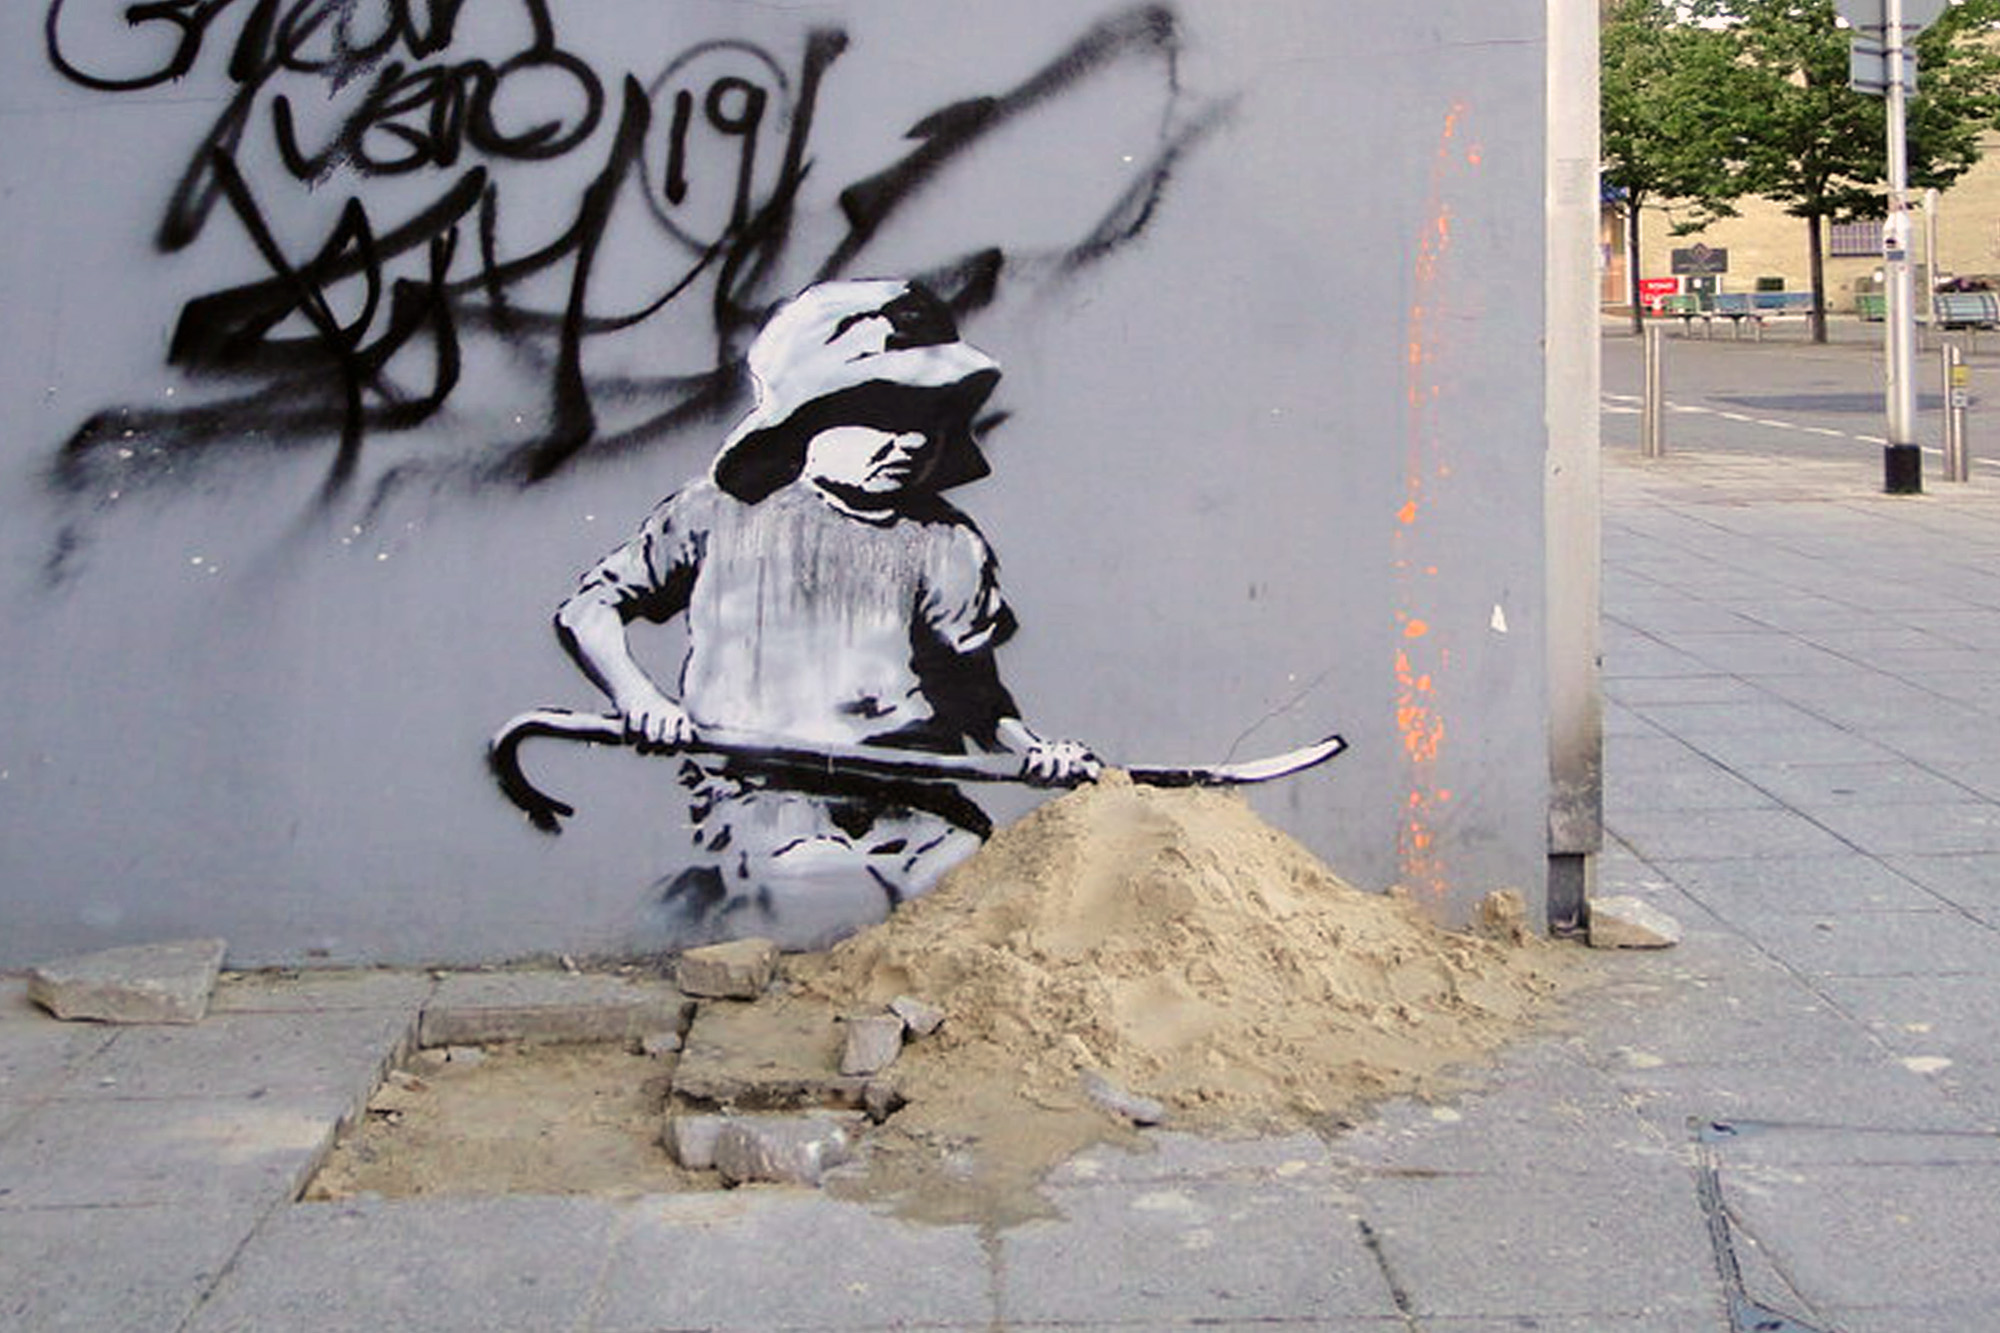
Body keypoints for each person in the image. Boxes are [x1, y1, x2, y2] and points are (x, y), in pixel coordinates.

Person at [556, 278, 1096, 945]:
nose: (906, 441)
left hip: (915, 797)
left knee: (978, 907)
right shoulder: (719, 515)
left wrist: (1033, 750)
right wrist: (639, 697)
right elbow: (592, 607)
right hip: (765, 798)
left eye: (925, 419)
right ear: (808, 417)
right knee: (819, 897)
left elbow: (972, 689)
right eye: (879, 414)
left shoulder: (945, 542)